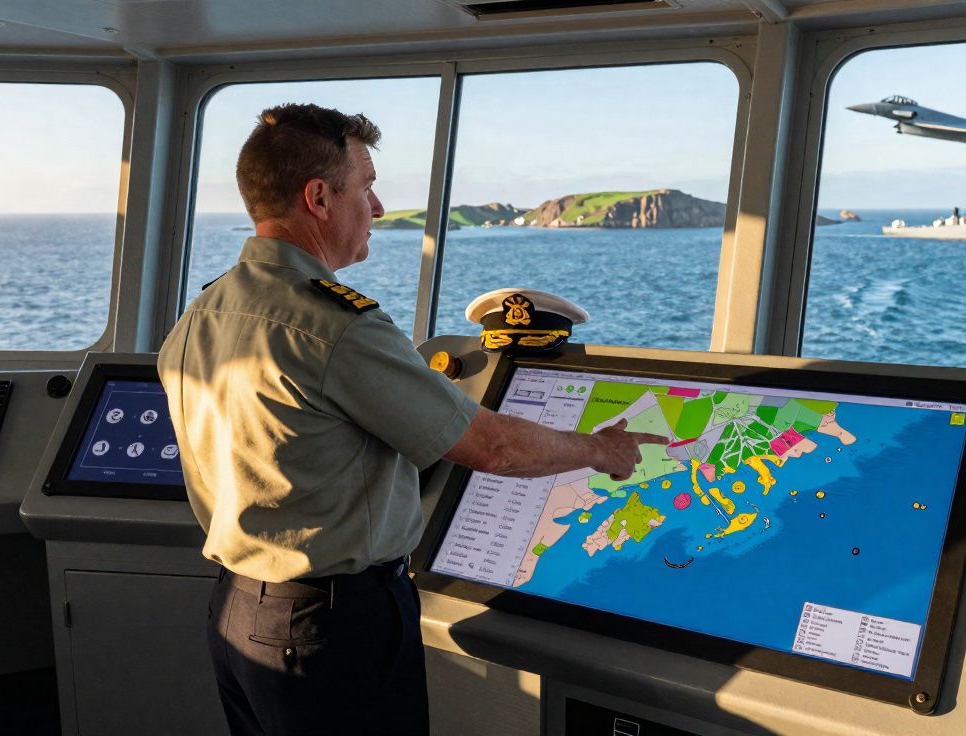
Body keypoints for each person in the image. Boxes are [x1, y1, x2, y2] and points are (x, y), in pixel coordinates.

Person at [157, 103, 665, 736]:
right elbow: (493, 448)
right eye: (365, 186)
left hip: (240, 611)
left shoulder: (205, 309)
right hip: (329, 627)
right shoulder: (333, 326)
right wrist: (598, 450)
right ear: (318, 197)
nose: (375, 207)